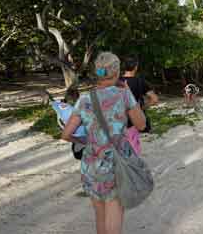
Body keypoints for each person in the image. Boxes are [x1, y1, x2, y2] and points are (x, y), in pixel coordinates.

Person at [62, 52, 146, 234]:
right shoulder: (124, 95)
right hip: (116, 163)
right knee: (114, 212)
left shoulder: (84, 99)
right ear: (117, 73)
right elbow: (141, 124)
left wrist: (83, 140)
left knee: (100, 215)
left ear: (97, 72)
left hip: (91, 163)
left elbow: (66, 134)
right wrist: (129, 93)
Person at [120, 56, 158, 132]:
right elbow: (154, 99)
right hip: (139, 121)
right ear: (135, 67)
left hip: (121, 124)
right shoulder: (140, 81)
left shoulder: (117, 82)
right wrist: (142, 108)